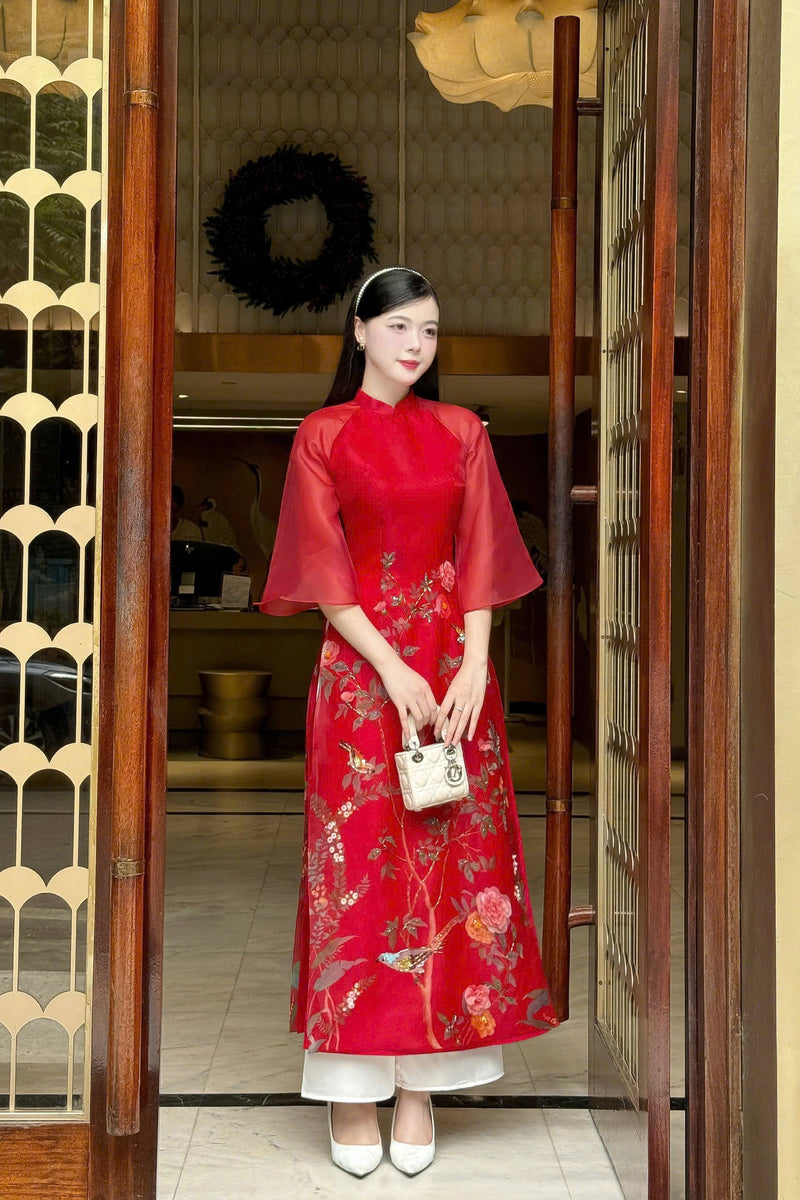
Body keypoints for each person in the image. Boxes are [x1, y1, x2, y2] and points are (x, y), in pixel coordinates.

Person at [258, 266, 558, 1178]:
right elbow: (320, 566)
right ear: (358, 333)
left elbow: (484, 553)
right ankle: (353, 1092)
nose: (415, 345)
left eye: (428, 328)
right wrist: (390, 669)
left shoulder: (463, 433)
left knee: (447, 867)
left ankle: (421, 1083)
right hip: (360, 679)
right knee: (356, 876)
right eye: (397, 327)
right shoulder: (324, 435)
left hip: (452, 677)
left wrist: (472, 662)